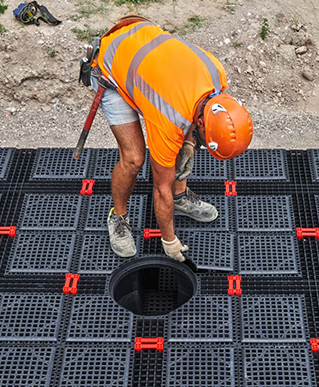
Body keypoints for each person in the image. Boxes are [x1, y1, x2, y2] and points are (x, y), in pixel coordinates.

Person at [85, 15, 254, 262]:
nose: (202, 145)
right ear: (200, 122)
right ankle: (118, 217)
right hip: (110, 66)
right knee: (133, 159)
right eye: (203, 140)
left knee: (175, 143)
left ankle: (181, 198)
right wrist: (169, 240)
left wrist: (188, 142)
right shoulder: (169, 115)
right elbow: (160, 188)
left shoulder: (217, 77)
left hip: (142, 48)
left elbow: (193, 108)